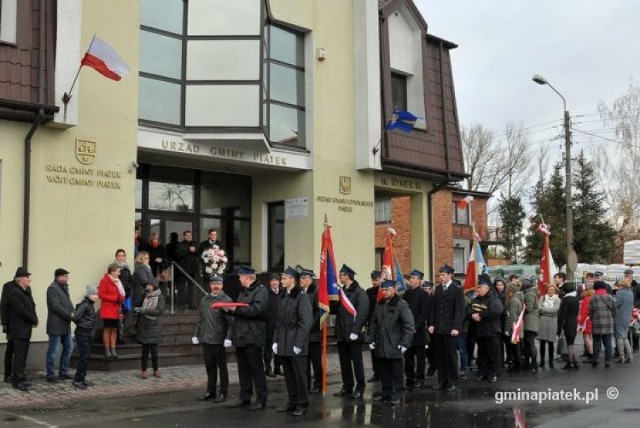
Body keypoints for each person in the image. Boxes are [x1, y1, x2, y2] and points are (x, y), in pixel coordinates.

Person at [227, 265, 269, 411]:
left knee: (256, 369)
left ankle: (261, 398)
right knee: (243, 369)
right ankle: (244, 397)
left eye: (240, 276)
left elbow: (256, 310)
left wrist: (236, 309)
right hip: (242, 335)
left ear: (246, 277)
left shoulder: (261, 291)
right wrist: (231, 311)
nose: (239, 279)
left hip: (253, 335)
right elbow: (242, 311)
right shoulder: (244, 291)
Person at [273, 267, 312, 417]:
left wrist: (298, 344)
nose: (282, 281)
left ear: (293, 280)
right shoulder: (284, 297)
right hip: (284, 340)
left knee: (300, 375)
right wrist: (276, 341)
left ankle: (302, 403)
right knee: (288, 374)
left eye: (284, 278)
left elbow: (305, 322)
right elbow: (279, 321)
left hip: (295, 341)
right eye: (282, 278)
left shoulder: (301, 297)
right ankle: (292, 400)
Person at [369, 280, 415, 405]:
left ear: (394, 289)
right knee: (384, 369)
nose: (385, 292)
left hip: (395, 343)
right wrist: (371, 339)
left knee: (397, 370)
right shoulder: (379, 304)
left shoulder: (401, 304)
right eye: (383, 290)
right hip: (381, 342)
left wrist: (405, 343)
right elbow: (373, 323)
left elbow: (409, 325)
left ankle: (398, 392)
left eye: (387, 290)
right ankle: (386, 391)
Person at [193, 275, 233, 402]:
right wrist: (196, 334)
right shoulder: (205, 299)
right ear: (210, 285)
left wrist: (228, 337)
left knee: (222, 367)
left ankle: (223, 392)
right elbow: (200, 319)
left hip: (218, 339)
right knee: (209, 366)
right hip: (206, 338)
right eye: (213, 284)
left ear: (222, 286)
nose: (216, 286)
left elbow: (231, 321)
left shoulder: (226, 300)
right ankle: (210, 391)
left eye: (218, 284)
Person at [333, 264, 369, 399]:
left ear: (347, 276)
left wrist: (356, 330)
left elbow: (362, 313)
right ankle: (347, 386)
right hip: (342, 333)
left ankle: (360, 387)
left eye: (341, 275)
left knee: (357, 362)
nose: (339, 277)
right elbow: (337, 311)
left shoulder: (360, 292)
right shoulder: (341, 291)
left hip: (353, 334)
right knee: (344, 362)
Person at [428, 264, 464, 392]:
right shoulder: (437, 289)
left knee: (450, 356)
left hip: (450, 329)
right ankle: (441, 381)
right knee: (440, 355)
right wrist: (431, 324)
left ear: (450, 275)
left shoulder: (457, 289)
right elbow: (434, 308)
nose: (441, 277)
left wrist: (456, 327)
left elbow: (459, 311)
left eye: (443, 275)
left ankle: (452, 381)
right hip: (438, 328)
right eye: (440, 275)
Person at [6, 267, 38, 391]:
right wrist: (33, 320)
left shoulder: (26, 290)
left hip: (25, 328)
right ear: (20, 280)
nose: (29, 279)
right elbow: (21, 310)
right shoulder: (15, 292)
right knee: (19, 355)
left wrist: (34, 318)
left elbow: (31, 306)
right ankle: (16, 380)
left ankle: (21, 377)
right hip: (18, 329)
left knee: (23, 355)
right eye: (27, 277)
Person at [471, 276, 504, 383]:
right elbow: (469, 308)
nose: (478, 289)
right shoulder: (477, 299)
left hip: (492, 331)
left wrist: (480, 315)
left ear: (486, 288)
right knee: (482, 354)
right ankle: (482, 372)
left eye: (480, 287)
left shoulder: (493, 298)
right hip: (480, 332)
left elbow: (496, 311)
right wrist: (472, 315)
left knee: (493, 354)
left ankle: (494, 373)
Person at [45, 268, 75, 383]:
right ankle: (50, 374)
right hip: (56, 325)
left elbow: (68, 303)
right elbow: (55, 306)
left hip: (65, 325)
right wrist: (69, 315)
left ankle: (63, 372)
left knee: (69, 348)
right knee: (53, 351)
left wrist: (73, 312)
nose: (67, 278)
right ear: (59, 277)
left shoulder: (64, 288)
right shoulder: (52, 289)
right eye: (65, 276)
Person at [402, 269, 428, 388]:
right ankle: (410, 377)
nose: (411, 280)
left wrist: (415, 326)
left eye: (413, 278)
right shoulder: (407, 294)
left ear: (419, 280)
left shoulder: (423, 294)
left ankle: (420, 377)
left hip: (418, 330)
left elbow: (424, 313)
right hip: (407, 330)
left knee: (420, 356)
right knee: (408, 356)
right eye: (410, 278)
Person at [135, 280, 166, 379]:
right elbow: (137, 303)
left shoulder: (160, 297)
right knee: (144, 350)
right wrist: (142, 294)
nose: (148, 287)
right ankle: (144, 371)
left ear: (154, 286)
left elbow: (159, 311)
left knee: (154, 350)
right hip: (144, 325)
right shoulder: (145, 295)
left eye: (150, 285)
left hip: (154, 325)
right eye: (147, 285)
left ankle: (155, 369)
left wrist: (145, 310)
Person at [299, 268, 322, 394]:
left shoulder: (316, 292)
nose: (301, 281)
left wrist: (309, 327)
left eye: (303, 278)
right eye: (301, 278)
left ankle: (318, 384)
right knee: (304, 360)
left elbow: (318, 312)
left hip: (313, 333)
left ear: (310, 279)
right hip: (303, 332)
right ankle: (305, 384)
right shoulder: (302, 292)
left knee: (316, 361)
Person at [71, 284, 98, 389]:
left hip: (87, 332)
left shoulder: (89, 304)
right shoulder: (85, 304)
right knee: (84, 356)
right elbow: (76, 317)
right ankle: (78, 379)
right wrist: (83, 324)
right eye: (94, 294)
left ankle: (81, 378)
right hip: (83, 333)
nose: (96, 296)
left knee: (86, 356)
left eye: (97, 294)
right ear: (89, 294)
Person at [98, 262, 126, 359]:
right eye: (118, 271)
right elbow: (101, 295)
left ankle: (113, 349)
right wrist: (115, 298)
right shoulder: (104, 281)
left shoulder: (118, 281)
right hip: (108, 309)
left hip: (116, 309)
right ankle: (107, 349)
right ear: (112, 271)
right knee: (107, 329)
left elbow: (122, 294)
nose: (119, 273)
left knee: (114, 330)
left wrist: (121, 298)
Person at [589, 282, 615, 368]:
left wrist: (592, 318)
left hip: (596, 322)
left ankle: (596, 359)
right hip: (608, 322)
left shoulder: (593, 298)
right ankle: (608, 361)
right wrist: (612, 317)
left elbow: (590, 311)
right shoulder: (610, 297)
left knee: (596, 341)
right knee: (608, 342)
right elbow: (614, 309)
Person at [557, 282, 580, 370]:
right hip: (574, 322)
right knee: (571, 343)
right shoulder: (575, 298)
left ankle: (570, 362)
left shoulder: (566, 299)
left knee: (569, 344)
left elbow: (563, 314)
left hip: (567, 323)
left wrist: (559, 326)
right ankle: (574, 362)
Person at [175, 230, 200, 310]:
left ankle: (192, 304)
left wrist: (194, 250)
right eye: (187, 235)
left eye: (190, 235)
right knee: (182, 288)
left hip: (193, 269)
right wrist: (189, 250)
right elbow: (178, 254)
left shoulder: (195, 244)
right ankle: (181, 305)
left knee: (192, 288)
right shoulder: (180, 244)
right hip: (183, 269)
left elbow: (199, 253)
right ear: (184, 236)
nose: (189, 237)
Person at [537, 284, 560, 369]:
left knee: (551, 342)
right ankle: (542, 361)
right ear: (546, 290)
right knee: (542, 342)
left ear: (555, 291)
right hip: (542, 322)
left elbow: (555, 310)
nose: (551, 291)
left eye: (552, 290)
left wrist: (544, 310)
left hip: (552, 322)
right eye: (549, 290)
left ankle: (551, 361)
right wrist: (549, 312)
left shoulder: (557, 299)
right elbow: (538, 308)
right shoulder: (542, 298)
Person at [264, 272, 283, 377]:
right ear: (270, 283)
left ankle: (277, 367)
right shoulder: (266, 294)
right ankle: (267, 368)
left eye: (276, 280)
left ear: (279, 282)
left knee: (279, 348)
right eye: (272, 281)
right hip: (269, 326)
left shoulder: (283, 293)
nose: (274, 282)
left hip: (280, 326)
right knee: (269, 349)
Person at [365, 270, 382, 383]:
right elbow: (367, 309)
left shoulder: (384, 291)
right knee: (373, 350)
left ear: (381, 279)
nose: (374, 282)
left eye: (376, 280)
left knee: (382, 349)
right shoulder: (369, 292)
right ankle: (376, 372)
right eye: (373, 280)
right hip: (372, 325)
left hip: (382, 325)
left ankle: (383, 372)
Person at [520, 278, 540, 372]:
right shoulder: (531, 293)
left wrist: (521, 305)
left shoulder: (529, 294)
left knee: (530, 342)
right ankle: (529, 363)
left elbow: (528, 308)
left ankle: (534, 363)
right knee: (528, 343)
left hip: (530, 322)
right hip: (530, 321)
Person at [114, 249, 134, 342]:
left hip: (127, 296)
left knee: (124, 316)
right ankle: (118, 337)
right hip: (118, 296)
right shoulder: (114, 268)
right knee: (118, 317)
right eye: (119, 255)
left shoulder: (127, 268)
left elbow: (129, 281)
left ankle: (121, 336)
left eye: (123, 255)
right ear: (116, 257)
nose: (121, 257)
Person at [2, 272, 18, 383]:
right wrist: (4, 323)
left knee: (21, 350)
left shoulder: (26, 287)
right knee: (10, 349)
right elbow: (3, 305)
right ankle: (7, 374)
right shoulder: (8, 286)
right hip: (11, 323)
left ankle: (19, 372)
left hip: (23, 325)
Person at [505, 282, 524, 373]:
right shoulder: (518, 299)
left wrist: (506, 329)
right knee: (517, 346)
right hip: (518, 324)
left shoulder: (513, 300)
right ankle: (518, 365)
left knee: (515, 347)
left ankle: (517, 366)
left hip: (514, 327)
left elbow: (511, 315)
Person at [614, 276, 634, 363]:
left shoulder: (620, 293)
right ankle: (629, 355)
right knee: (624, 336)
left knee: (619, 336)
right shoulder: (631, 293)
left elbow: (616, 305)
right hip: (628, 316)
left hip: (620, 316)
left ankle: (621, 356)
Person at [578, 288, 594, 362]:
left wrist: (580, 323)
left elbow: (584, 312)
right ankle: (592, 353)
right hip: (591, 319)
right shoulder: (592, 298)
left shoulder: (586, 299)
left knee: (587, 338)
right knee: (589, 337)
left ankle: (591, 354)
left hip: (586, 321)